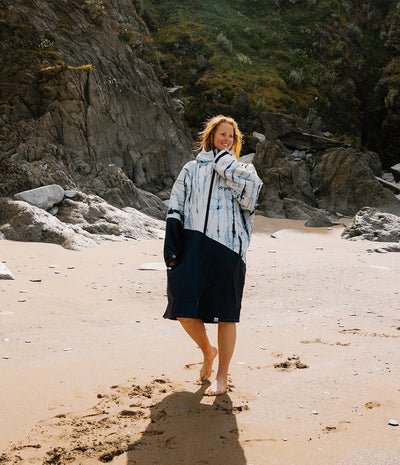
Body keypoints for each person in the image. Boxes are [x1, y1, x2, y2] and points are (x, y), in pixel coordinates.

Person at [163, 115, 262, 396]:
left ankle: (222, 378)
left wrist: (224, 164)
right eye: (222, 134)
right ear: (211, 136)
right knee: (181, 307)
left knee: (226, 315)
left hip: (228, 248)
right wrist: (172, 248)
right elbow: (175, 207)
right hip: (193, 245)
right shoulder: (191, 170)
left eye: (232, 136)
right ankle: (208, 350)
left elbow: (251, 197)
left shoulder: (242, 170)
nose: (227, 139)